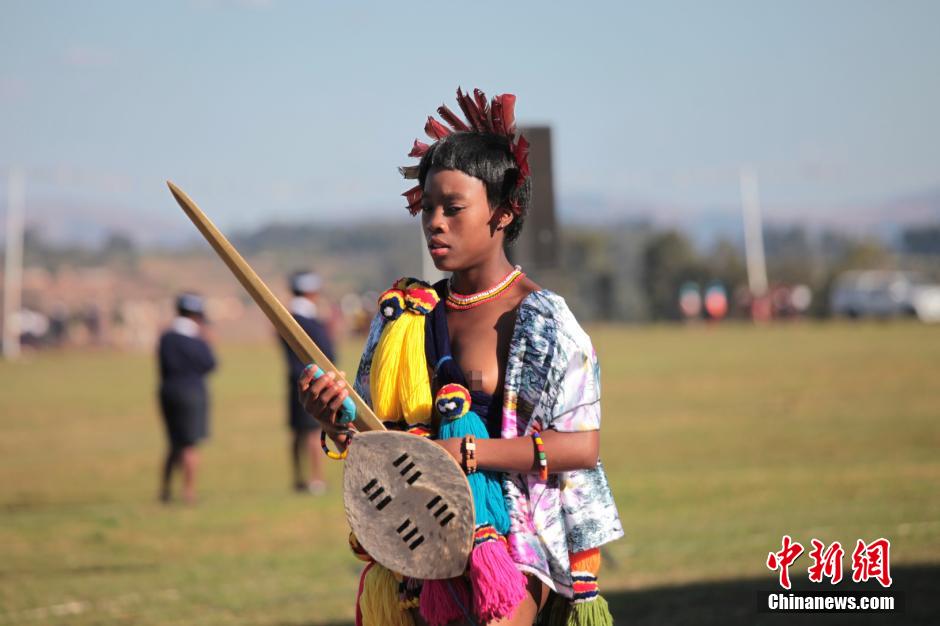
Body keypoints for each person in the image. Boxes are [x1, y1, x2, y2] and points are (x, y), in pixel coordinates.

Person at [299, 89, 623, 625]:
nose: (435, 223)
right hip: (417, 540)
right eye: (428, 208)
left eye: (453, 208)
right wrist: (334, 418)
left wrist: (466, 454)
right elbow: (373, 437)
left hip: (515, 549)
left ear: (503, 212)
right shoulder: (404, 315)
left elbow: (582, 447)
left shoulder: (543, 321)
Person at [157, 293, 216, 504]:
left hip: (168, 392)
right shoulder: (196, 339)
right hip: (192, 393)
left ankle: (165, 491)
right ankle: (188, 493)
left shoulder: (166, 337)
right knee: (190, 446)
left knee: (174, 443)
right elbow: (210, 364)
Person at [282, 270, 335, 494]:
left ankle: (299, 478)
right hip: (313, 379)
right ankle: (316, 479)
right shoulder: (306, 318)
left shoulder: (288, 315)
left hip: (293, 377)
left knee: (298, 431)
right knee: (313, 431)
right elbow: (326, 350)